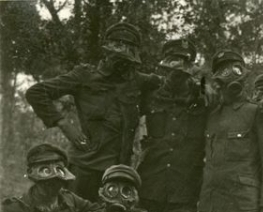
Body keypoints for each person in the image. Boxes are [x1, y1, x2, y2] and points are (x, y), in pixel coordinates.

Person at [25, 23, 161, 201]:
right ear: (106, 52)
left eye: (127, 59)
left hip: (117, 172)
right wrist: (65, 126)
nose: (121, 65)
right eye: (116, 55)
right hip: (84, 168)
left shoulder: (137, 80)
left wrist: (204, 85)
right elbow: (36, 92)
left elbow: (169, 83)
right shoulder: (84, 75)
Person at [198, 50, 263, 212]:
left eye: (235, 70)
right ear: (217, 80)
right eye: (224, 72)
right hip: (211, 204)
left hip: (244, 205)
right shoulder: (210, 114)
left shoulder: (257, 112)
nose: (232, 79)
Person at [137, 38, 208, 212]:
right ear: (164, 66)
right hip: (151, 187)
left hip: (184, 191)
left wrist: (203, 80)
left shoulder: (203, 97)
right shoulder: (151, 94)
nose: (176, 72)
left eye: (182, 66)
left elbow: (226, 95)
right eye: (171, 66)